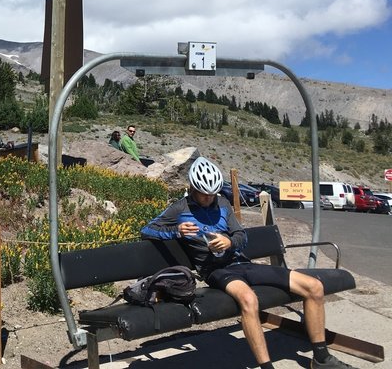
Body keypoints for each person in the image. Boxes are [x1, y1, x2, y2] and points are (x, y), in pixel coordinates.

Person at [141, 156, 357, 369]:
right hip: (215, 270)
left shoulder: (222, 203)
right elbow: (147, 230)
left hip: (242, 263)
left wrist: (228, 242)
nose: (208, 199)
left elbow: (241, 236)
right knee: (249, 300)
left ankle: (321, 359)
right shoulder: (179, 209)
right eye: (203, 194)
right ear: (192, 187)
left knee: (314, 287)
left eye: (212, 194)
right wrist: (176, 231)